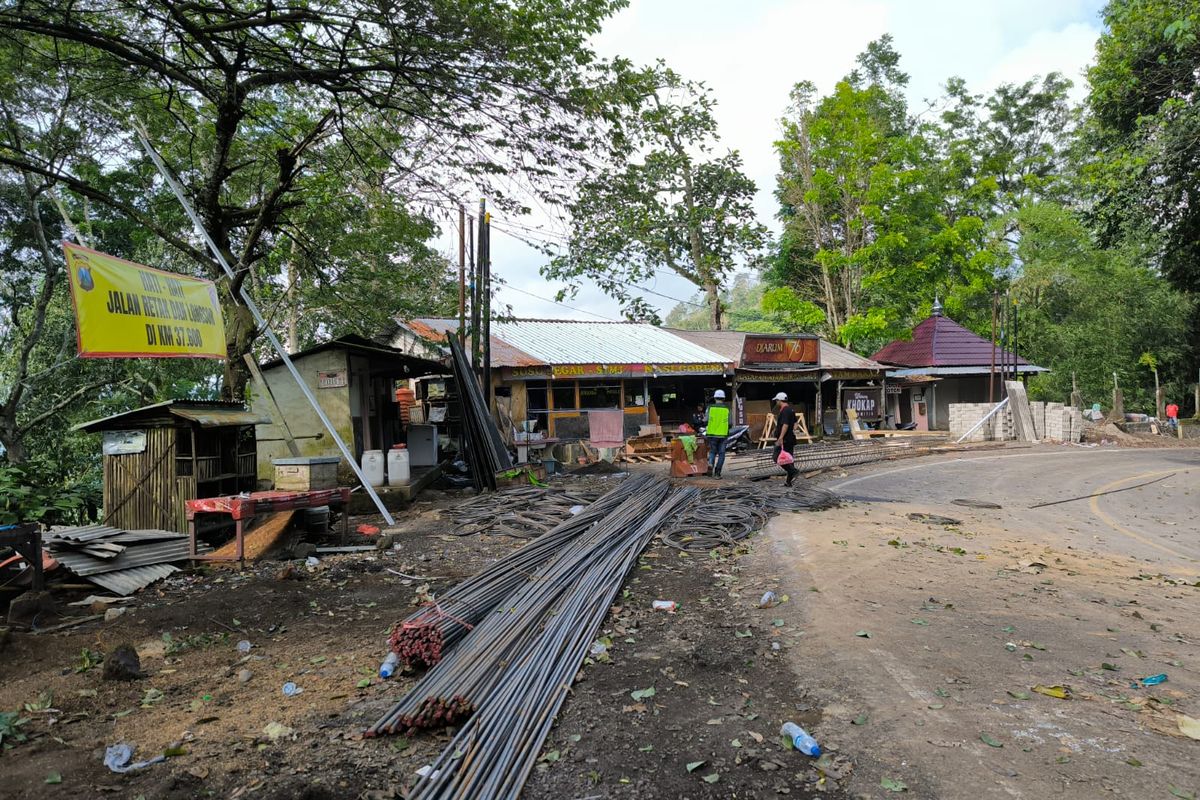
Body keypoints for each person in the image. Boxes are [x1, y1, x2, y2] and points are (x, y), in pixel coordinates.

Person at [773, 391, 799, 487]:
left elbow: (785, 424)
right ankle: (788, 482)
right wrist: (793, 430)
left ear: (780, 400)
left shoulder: (785, 411)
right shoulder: (791, 410)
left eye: (776, 400)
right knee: (789, 459)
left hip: (785, 440)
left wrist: (780, 437)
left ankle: (794, 471)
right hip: (790, 438)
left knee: (776, 457)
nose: (776, 402)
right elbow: (796, 423)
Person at [704, 389, 731, 478]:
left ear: (715, 398)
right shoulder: (727, 409)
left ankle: (711, 463)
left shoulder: (710, 408)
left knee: (712, 451)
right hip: (723, 434)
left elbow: (705, 420)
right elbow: (730, 423)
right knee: (721, 454)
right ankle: (717, 473)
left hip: (711, 434)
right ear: (723, 399)